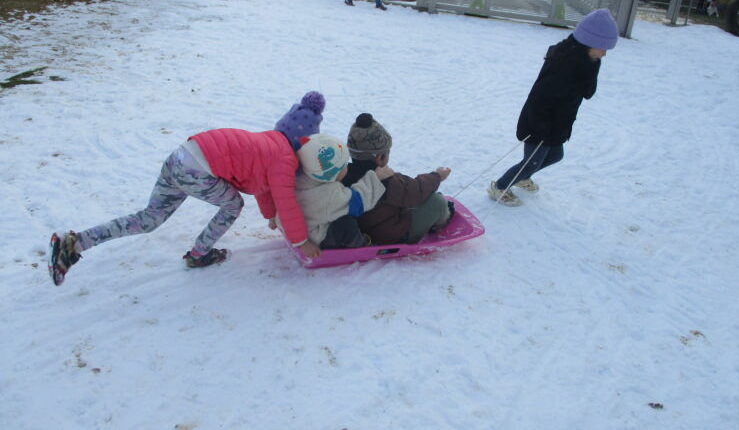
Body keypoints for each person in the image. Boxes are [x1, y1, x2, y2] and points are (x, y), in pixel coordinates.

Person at [47, 92, 326, 286]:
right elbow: (285, 198)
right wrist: (302, 241)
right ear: (303, 141)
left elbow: (267, 190)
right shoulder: (284, 158)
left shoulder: (269, 141)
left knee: (149, 219)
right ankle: (199, 254)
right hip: (198, 167)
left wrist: (269, 215)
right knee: (233, 205)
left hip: (181, 156)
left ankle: (74, 242)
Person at [488, 8, 619, 206]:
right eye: (602, 48)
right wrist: (540, 129)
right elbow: (540, 98)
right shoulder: (563, 65)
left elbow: (588, 92)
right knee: (532, 161)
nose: (605, 54)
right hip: (539, 123)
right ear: (588, 42)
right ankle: (499, 186)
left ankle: (522, 177)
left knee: (555, 156)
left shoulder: (585, 63)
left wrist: (594, 64)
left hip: (558, 124)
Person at [341, 113, 453, 245]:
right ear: (379, 157)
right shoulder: (384, 179)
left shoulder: (343, 174)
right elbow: (414, 191)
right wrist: (437, 176)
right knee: (437, 201)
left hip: (363, 231)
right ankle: (442, 219)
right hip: (392, 235)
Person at [286, 133, 392, 249]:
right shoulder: (328, 194)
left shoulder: (298, 180)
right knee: (346, 224)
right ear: (332, 173)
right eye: (344, 164)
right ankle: (362, 244)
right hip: (317, 237)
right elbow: (358, 202)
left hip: (302, 229)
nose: (347, 166)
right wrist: (375, 178)